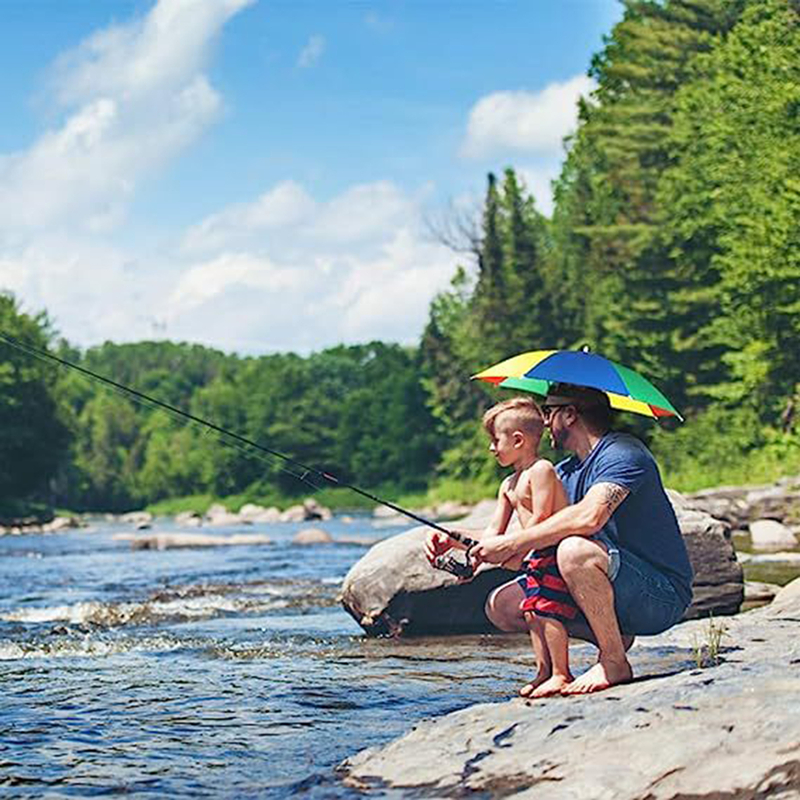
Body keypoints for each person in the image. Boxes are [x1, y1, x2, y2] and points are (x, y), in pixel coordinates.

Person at [469, 383, 694, 695]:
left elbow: (590, 517)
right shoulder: (564, 471)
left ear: (570, 414)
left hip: (660, 595)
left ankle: (614, 660)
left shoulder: (624, 453)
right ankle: (613, 635)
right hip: (615, 582)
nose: (544, 422)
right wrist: (455, 540)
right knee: (503, 605)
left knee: (574, 551)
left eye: (548, 412)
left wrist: (513, 546)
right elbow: (524, 530)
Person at [425, 396, 580, 698]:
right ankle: (543, 672)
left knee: (548, 612)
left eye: (495, 440)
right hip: (533, 556)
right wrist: (468, 559)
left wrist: (516, 552)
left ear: (518, 439)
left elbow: (542, 517)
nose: (491, 448)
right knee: (532, 613)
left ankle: (562, 673)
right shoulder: (508, 485)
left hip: (552, 552)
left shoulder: (542, 470)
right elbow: (493, 532)